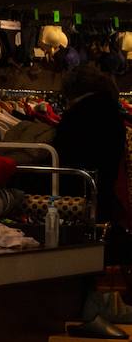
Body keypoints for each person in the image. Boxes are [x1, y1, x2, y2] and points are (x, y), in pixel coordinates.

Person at [54, 64, 128, 226]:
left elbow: (66, 156)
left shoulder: (79, 115)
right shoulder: (110, 110)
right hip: (104, 193)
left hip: (80, 194)